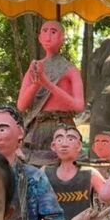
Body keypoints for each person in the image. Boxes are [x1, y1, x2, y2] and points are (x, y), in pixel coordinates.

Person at [16, 21, 85, 166]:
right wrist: (37, 82)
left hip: (63, 127)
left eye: (53, 32)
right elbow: (21, 106)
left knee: (64, 170)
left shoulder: (69, 69)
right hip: (37, 128)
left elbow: (79, 106)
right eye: (45, 31)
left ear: (62, 38)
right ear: (39, 38)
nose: (48, 36)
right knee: (33, 170)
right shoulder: (34, 68)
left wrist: (47, 83)